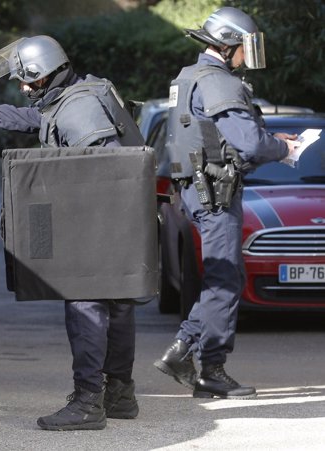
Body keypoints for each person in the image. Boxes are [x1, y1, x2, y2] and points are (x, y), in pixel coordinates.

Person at [0, 35, 145, 431]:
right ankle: (119, 395)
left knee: (85, 307)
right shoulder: (81, 93)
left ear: (46, 75)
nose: (23, 88)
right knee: (119, 306)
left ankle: (89, 401)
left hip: (97, 225)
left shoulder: (80, 111)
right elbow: (45, 120)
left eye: (27, 81)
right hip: (120, 224)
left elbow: (103, 166)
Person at [153, 7, 300, 399]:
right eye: (243, 48)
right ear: (228, 43)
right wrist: (282, 147)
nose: (244, 57)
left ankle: (186, 353)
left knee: (225, 278)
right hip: (216, 193)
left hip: (197, 190)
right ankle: (207, 367)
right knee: (224, 281)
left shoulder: (188, 77)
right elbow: (249, 141)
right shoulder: (218, 81)